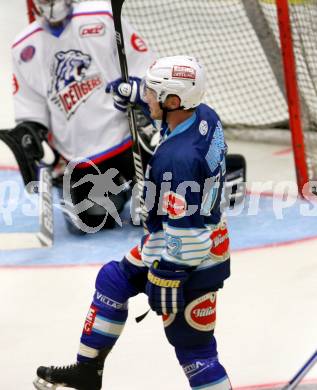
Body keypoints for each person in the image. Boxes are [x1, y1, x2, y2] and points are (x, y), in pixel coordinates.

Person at [33, 55, 232, 390]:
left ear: (173, 101)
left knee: (193, 348)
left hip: (191, 254)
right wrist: (135, 92)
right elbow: (167, 113)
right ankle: (87, 371)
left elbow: (191, 236)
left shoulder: (177, 160)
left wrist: (169, 275)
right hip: (176, 236)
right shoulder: (203, 116)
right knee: (112, 280)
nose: (148, 97)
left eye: (153, 93)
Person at [5, 0, 155, 233]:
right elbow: (31, 109)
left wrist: (138, 90)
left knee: (167, 207)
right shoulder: (23, 47)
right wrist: (31, 136)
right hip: (80, 158)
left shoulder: (102, 15)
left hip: (129, 141)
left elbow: (144, 66)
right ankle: (120, 189)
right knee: (90, 222)